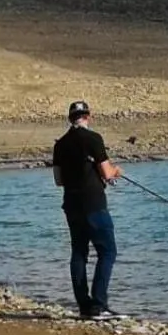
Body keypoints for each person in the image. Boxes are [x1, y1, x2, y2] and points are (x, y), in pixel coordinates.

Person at [52, 100, 122, 320]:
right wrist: (116, 171)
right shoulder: (94, 138)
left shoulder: (60, 144)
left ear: (70, 118)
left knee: (79, 252)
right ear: (88, 116)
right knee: (108, 252)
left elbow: (58, 180)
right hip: (94, 204)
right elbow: (107, 172)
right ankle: (99, 304)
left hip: (71, 205)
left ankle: (84, 306)